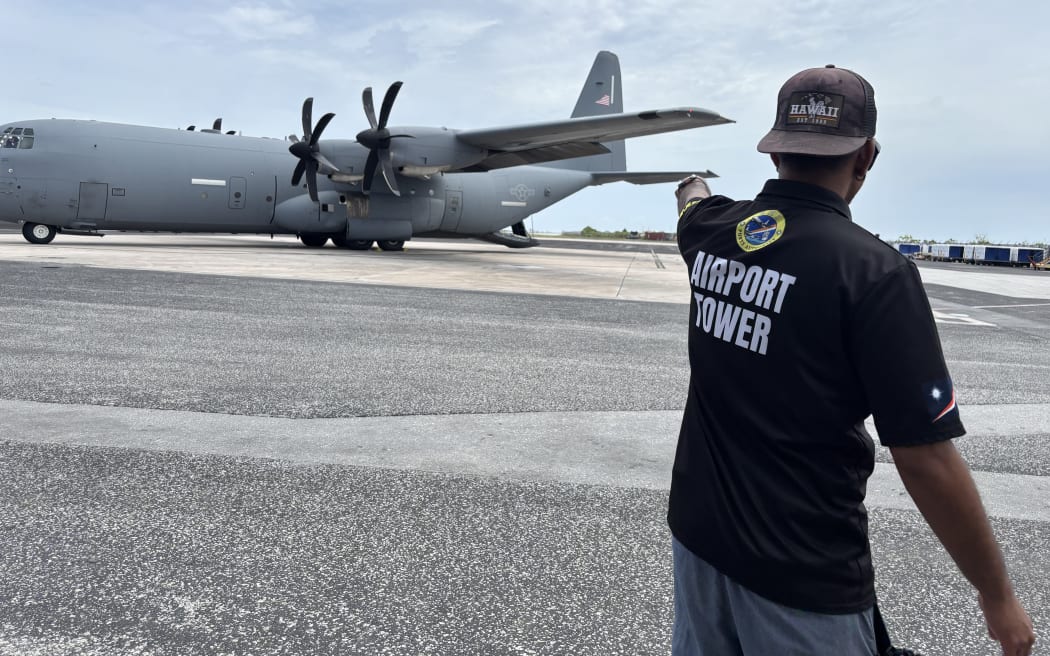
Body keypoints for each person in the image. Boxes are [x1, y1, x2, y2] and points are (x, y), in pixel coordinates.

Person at [670, 65, 1035, 655]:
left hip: (697, 536)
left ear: (775, 151)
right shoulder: (874, 273)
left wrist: (691, 183)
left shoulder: (713, 232)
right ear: (866, 156)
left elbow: (691, 203)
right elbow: (926, 459)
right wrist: (996, 594)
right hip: (799, 570)